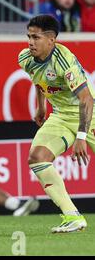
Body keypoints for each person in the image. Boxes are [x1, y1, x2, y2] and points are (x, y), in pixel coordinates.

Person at [18, 14, 93, 233]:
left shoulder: (64, 60)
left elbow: (86, 99)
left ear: (51, 40)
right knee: (37, 158)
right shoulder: (25, 58)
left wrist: (81, 137)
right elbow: (38, 79)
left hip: (89, 114)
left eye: (36, 37)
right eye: (29, 36)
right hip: (60, 116)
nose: (30, 42)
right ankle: (72, 217)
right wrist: (41, 106)